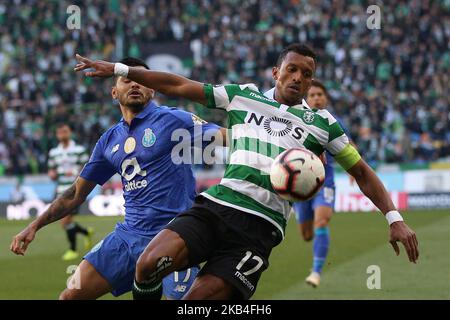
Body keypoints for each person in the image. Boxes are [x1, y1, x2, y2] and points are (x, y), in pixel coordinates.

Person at [71, 43, 419, 300]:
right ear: (276, 72)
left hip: (258, 230)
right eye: (292, 69)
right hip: (216, 207)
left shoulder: (323, 125)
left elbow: (362, 172)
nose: (298, 78)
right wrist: (122, 69)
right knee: (146, 266)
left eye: (307, 74)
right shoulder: (244, 97)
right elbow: (179, 85)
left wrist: (394, 218)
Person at [10, 57, 224, 300]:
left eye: (141, 80)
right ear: (114, 92)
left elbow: (225, 136)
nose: (135, 84)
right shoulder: (109, 141)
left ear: (152, 88)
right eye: (127, 80)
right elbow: (76, 194)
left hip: (176, 235)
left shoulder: (173, 120)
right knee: (70, 296)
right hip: (128, 237)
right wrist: (34, 226)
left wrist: (267, 140)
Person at [265, 80, 350, 288]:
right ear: (305, 98)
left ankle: (316, 272)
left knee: (322, 222)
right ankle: (316, 248)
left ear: (326, 98)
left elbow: (349, 146)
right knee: (306, 235)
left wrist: (353, 170)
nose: (316, 98)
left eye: (320, 94)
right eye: (312, 95)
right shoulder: (293, 119)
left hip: (324, 184)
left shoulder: (332, 122)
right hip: (299, 187)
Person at [47, 123, 93, 261]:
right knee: (64, 222)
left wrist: (76, 174)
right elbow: (51, 170)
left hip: (75, 190)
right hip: (60, 190)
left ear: (70, 132)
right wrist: (52, 174)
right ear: (57, 135)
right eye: (60, 131)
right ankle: (86, 232)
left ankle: (72, 250)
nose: (62, 133)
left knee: (65, 221)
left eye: (65, 131)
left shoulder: (79, 150)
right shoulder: (54, 152)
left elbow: (86, 167)